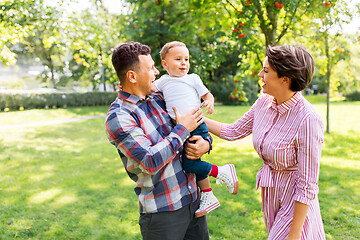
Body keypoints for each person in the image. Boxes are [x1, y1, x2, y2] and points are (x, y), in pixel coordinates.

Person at [205, 45, 326, 240]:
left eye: (266, 70)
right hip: (269, 193)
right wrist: (196, 118)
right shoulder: (263, 103)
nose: (260, 74)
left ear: (285, 79)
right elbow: (233, 131)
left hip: (294, 201)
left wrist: (294, 235)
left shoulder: (308, 119)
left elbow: (307, 185)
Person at [105, 41, 212, 240]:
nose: (156, 72)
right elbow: (149, 161)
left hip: (193, 201)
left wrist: (206, 143)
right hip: (164, 213)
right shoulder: (120, 117)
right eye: (151, 67)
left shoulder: (158, 98)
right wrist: (182, 130)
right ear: (132, 76)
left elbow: (194, 122)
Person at [153, 41, 239, 218]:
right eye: (178, 59)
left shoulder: (192, 79)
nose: (184, 63)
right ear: (164, 64)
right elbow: (148, 89)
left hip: (197, 124)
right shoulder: (163, 81)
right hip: (181, 128)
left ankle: (221, 171)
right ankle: (208, 194)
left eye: (186, 59)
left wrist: (209, 101)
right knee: (194, 160)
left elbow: (207, 94)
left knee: (189, 163)